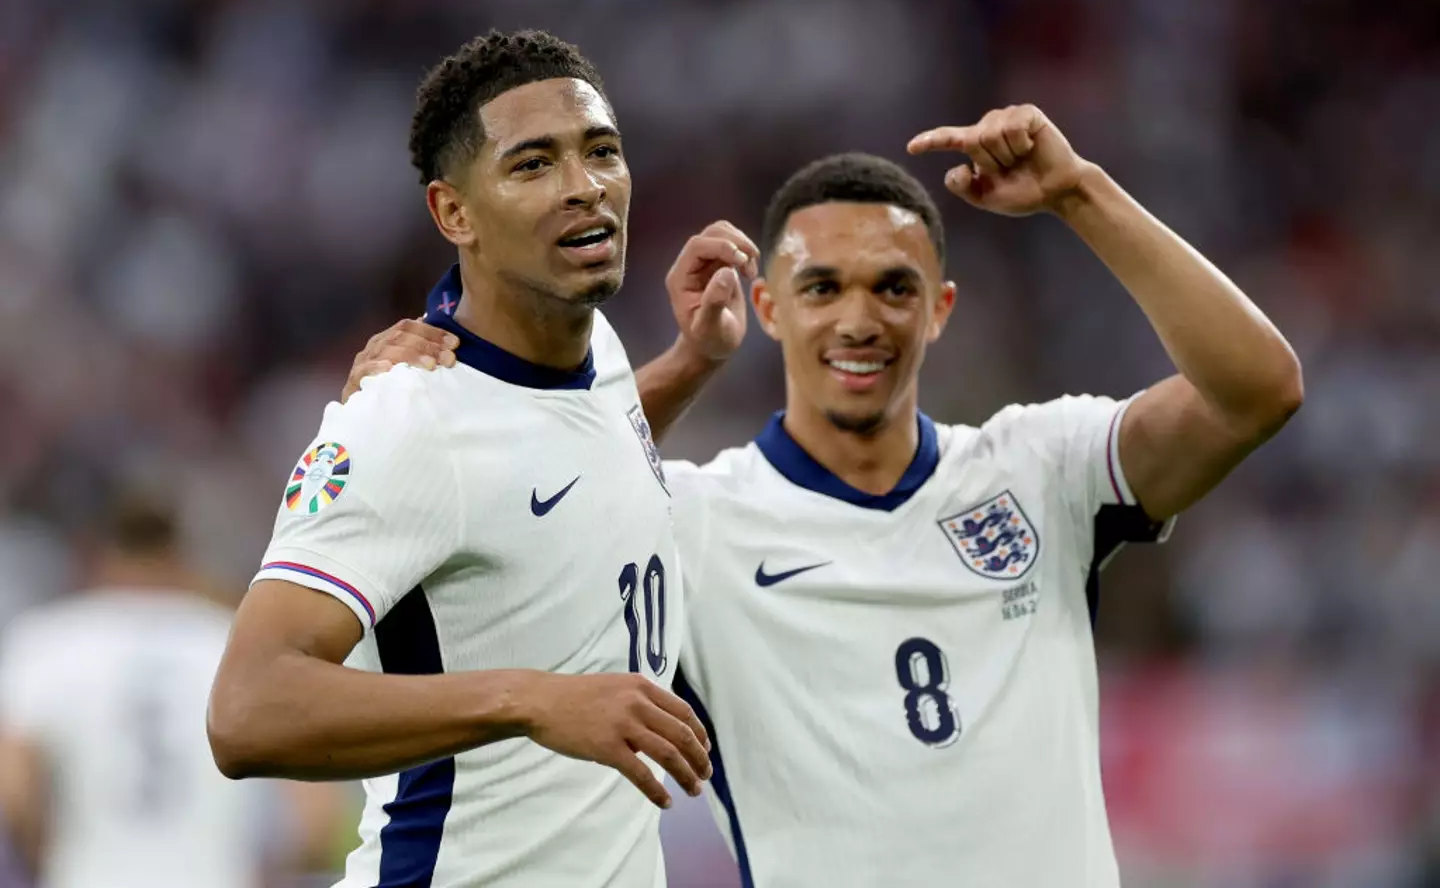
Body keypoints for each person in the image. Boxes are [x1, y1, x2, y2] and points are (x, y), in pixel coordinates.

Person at [349, 104, 1303, 887]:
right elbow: (514, 502)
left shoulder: (1041, 468)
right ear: (768, 306)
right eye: (822, 288)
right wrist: (426, 407)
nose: (860, 319)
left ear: (941, 308)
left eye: (894, 288)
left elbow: (1258, 390)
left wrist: (1080, 192)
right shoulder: (691, 521)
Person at [207, 30, 759, 888]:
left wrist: (693, 361)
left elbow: (563, 459)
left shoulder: (593, 352)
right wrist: (534, 699)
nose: (586, 187)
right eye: (533, 164)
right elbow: (246, 711)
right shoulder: (403, 419)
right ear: (454, 213)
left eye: (601, 152)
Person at [0, 493, 343, 888]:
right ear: (180, 556)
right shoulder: (237, 643)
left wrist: (43, 856)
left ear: (98, 555)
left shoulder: (48, 643)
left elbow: (15, 789)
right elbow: (317, 814)